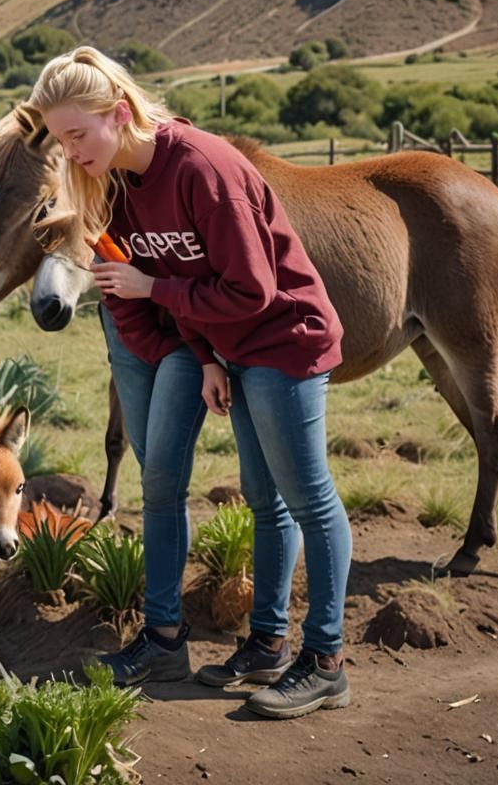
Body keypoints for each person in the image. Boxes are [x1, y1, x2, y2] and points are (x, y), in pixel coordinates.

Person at [30, 45, 353, 720]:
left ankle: (325, 662)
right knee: (263, 499)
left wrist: (156, 285)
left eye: (77, 135)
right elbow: (174, 292)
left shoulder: (202, 167)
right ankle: (265, 646)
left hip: (284, 339)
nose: (70, 152)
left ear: (119, 112)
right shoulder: (114, 184)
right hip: (234, 348)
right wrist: (205, 354)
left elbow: (253, 288)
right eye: (60, 139)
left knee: (306, 499)